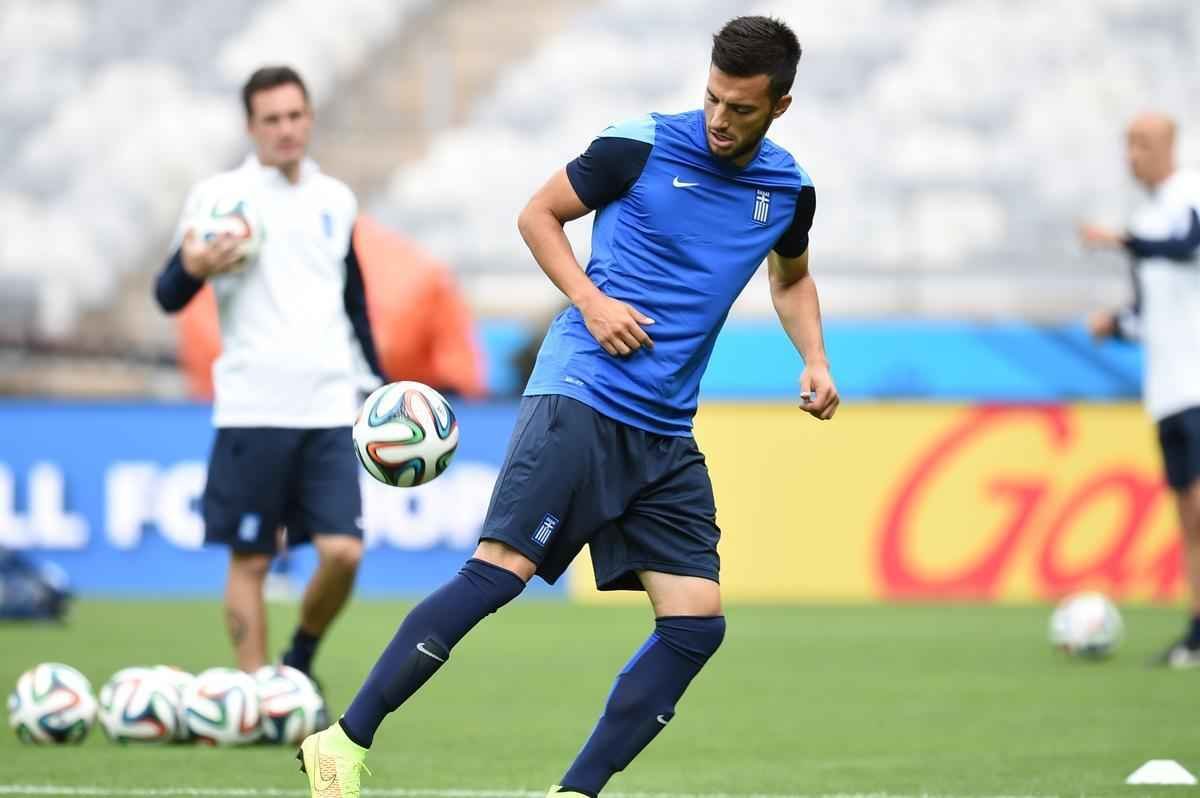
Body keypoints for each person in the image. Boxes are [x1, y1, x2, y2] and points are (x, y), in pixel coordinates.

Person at [297, 16, 838, 797]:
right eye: (715, 98)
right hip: (584, 394)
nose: (722, 119)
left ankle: (574, 792)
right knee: (499, 574)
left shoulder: (788, 191)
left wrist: (815, 359)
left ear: (779, 107)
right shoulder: (640, 144)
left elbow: (791, 280)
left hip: (664, 432)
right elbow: (537, 214)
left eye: (743, 109)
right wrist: (589, 300)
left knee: (695, 625)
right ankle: (343, 742)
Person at [154, 66, 384, 679]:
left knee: (344, 553)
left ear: (309, 117)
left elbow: (353, 299)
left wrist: (381, 386)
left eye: (295, 115)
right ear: (251, 126)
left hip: (329, 405)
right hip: (254, 405)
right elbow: (168, 294)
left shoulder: (336, 199)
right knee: (251, 560)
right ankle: (256, 695)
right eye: (272, 119)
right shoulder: (220, 199)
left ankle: (299, 659)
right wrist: (193, 264)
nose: (286, 129)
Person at [1080, 112, 1200, 668]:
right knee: (1186, 513)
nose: (1134, 154)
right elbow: (1151, 314)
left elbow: (1183, 245)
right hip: (1168, 391)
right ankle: (1197, 633)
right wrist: (1117, 323)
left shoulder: (1188, 195)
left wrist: (1122, 239)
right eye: (1128, 143)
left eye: (1143, 143)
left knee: (1199, 508)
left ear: (1170, 146)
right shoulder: (1147, 216)